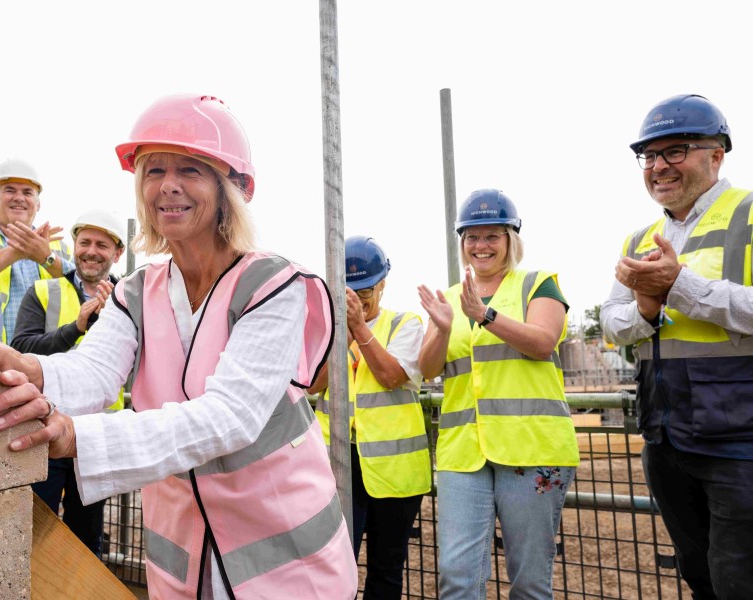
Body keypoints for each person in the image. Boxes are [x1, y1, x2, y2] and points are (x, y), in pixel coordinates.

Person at [0, 93, 357, 600]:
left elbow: (230, 417)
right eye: (153, 170)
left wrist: (76, 439)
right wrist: (25, 367)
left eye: (190, 170)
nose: (168, 185)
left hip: (284, 563)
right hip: (184, 560)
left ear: (230, 191)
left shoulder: (274, 284)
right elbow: (91, 373)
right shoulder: (138, 290)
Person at [600, 94, 753, 600]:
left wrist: (680, 285)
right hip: (665, 440)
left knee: (739, 580)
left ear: (717, 155)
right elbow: (612, 323)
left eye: (676, 150)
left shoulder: (749, 215)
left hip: (739, 444)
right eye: (650, 156)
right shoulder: (640, 236)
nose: (659, 167)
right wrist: (645, 309)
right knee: (700, 575)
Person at [418, 189, 578, 599]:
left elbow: (543, 342)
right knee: (457, 574)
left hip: (531, 449)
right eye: (472, 236)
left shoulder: (537, 284)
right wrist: (439, 328)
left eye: (492, 236)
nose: (481, 245)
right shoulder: (450, 298)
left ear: (511, 240)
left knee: (527, 579)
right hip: (463, 453)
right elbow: (429, 369)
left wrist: (484, 316)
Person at [309, 235, 429, 599]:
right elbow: (314, 384)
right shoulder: (329, 328)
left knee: (386, 570)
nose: (358, 298)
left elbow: (393, 376)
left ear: (383, 285)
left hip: (395, 473)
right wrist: (342, 334)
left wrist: (359, 328)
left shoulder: (405, 324)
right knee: (332, 566)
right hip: (339, 465)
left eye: (366, 290)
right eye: (350, 290)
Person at [10, 209, 127, 557]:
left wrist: (118, 321)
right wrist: (74, 329)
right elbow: (21, 349)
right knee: (35, 529)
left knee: (86, 537)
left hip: (95, 434)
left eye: (102, 245)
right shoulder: (44, 290)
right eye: (85, 242)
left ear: (117, 253)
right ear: (74, 246)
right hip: (42, 427)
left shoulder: (130, 297)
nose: (91, 251)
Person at [0, 157, 74, 344]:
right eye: (10, 190)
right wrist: (19, 251)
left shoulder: (59, 247)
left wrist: (46, 257)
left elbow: (80, 284)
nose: (19, 198)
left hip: (46, 359)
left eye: (27, 192)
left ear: (38, 204)